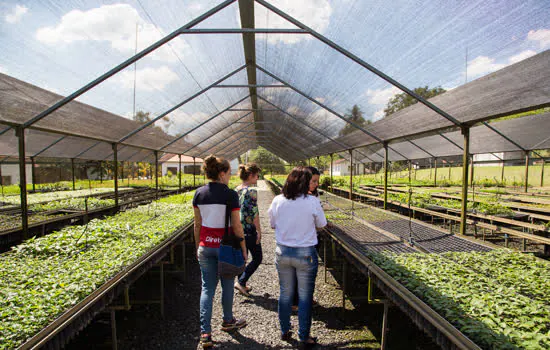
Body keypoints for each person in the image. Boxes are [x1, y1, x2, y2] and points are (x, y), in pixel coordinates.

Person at [193, 155, 248, 349]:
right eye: (229, 174)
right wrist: (243, 247)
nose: (230, 177)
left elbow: (197, 224)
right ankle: (227, 321)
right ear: (222, 173)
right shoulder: (230, 195)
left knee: (207, 288)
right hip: (225, 247)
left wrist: (197, 245)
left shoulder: (199, 194)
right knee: (226, 285)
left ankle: (205, 333)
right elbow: (236, 225)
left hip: (205, 246)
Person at [268, 166, 327, 347]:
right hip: (305, 255)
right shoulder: (311, 201)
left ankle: (285, 330)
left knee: (285, 294)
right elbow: (322, 224)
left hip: (283, 252)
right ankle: (304, 336)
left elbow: (272, 224)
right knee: (304, 297)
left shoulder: (278, 200)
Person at [292, 166, 321, 311]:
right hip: (305, 241)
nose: (316, 184)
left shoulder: (312, 196)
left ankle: (298, 301)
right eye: (313, 181)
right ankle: (300, 302)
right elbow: (320, 223)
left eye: (317, 181)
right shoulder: (308, 199)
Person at [234, 163, 263, 296]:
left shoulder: (236, 190)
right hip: (249, 229)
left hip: (237, 229)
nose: (257, 178)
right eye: (256, 176)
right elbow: (254, 213)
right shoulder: (251, 191)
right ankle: (241, 281)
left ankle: (242, 285)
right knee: (257, 257)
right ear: (251, 175)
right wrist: (259, 231)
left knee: (242, 258)